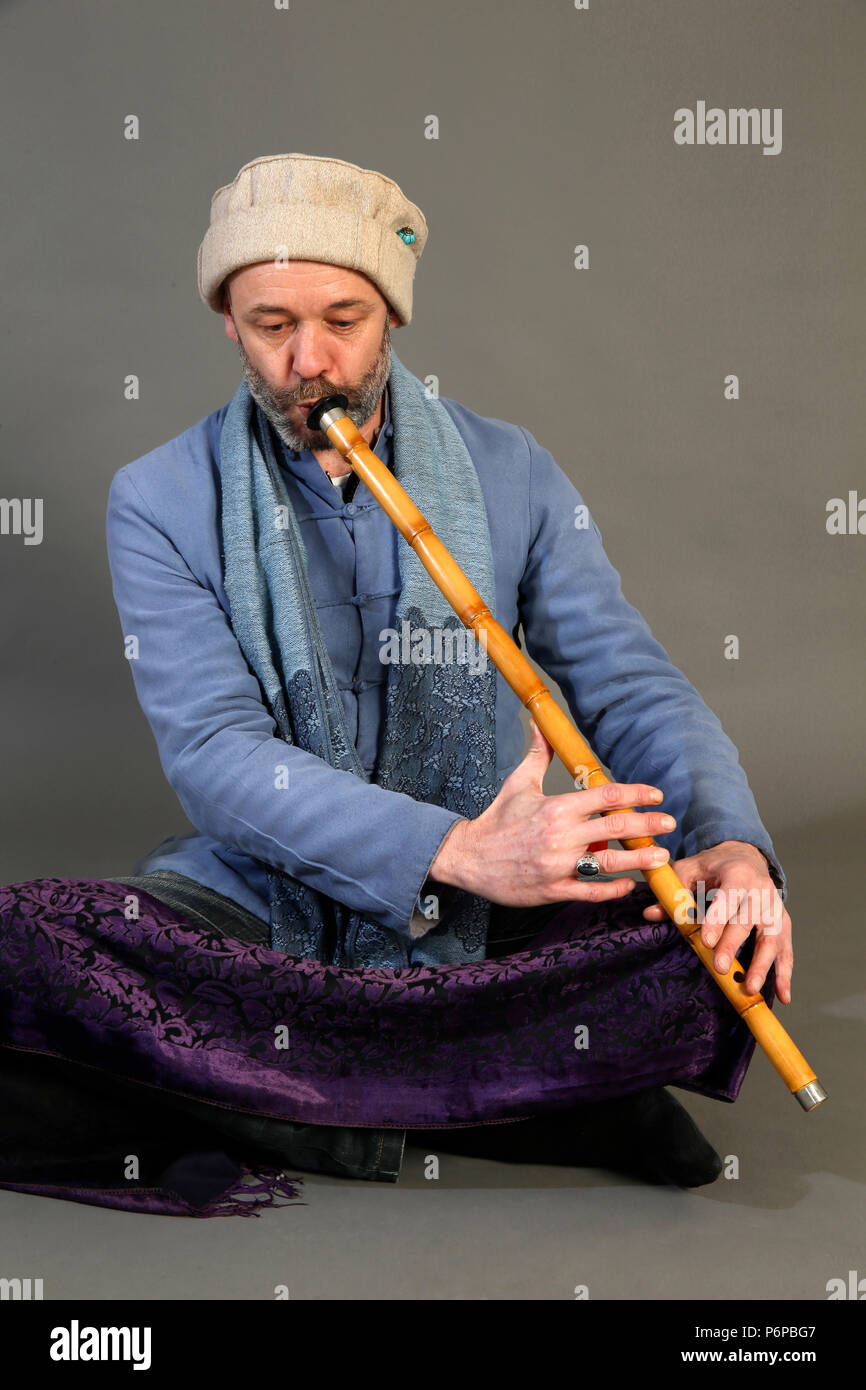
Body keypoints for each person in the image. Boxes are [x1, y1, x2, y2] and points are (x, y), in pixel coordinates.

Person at [0, 154, 793, 1216]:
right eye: (271, 323)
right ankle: (537, 1093)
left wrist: (733, 843)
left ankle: (286, 1089)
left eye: (344, 318)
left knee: (691, 927)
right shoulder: (157, 497)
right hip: (268, 891)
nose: (309, 360)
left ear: (393, 320)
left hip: (498, 897)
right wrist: (451, 851)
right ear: (227, 324)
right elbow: (214, 756)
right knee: (34, 948)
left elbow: (627, 684)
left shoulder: (510, 470)